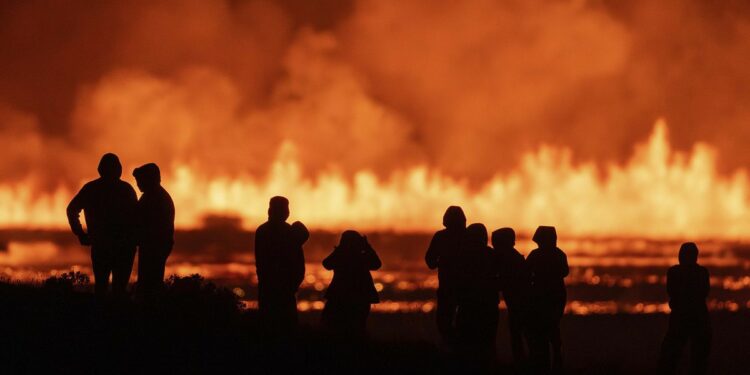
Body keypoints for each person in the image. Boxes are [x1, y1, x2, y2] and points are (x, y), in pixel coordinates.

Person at [66, 153, 137, 300]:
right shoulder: (126, 190)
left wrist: (80, 233)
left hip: (101, 246)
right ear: (119, 169)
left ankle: (100, 318)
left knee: (101, 287)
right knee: (119, 290)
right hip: (123, 247)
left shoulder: (91, 189)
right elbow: (137, 218)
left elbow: (72, 209)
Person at [254, 196, 307, 335]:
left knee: (274, 326)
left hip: (274, 287)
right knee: (282, 326)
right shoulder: (285, 232)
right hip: (278, 287)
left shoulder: (263, 230)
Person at [658, 242, 711, 375]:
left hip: (683, 317)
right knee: (696, 358)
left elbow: (672, 292)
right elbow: (704, 293)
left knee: (671, 355)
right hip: (697, 317)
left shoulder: (674, 272)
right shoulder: (702, 273)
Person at [455, 223, 500, 370]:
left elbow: (459, 279)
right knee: (487, 341)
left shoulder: (463, 255)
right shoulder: (492, 255)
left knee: (467, 340)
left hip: (468, 304)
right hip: (488, 304)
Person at [321, 230, 381, 337]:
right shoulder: (361, 257)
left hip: (340, 297)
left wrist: (339, 249)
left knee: (336, 328)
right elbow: (376, 263)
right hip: (359, 298)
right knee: (357, 328)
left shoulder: (341, 256)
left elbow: (326, 263)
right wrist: (367, 247)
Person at [526, 226, 568, 373]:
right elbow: (564, 271)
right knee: (552, 331)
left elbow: (526, 272)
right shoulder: (559, 254)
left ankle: (546, 364)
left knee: (543, 333)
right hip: (555, 296)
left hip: (543, 297)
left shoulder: (535, 255)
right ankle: (556, 363)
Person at [425, 206, 467, 346]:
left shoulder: (440, 237)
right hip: (466, 288)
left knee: (444, 323)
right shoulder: (468, 237)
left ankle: (453, 349)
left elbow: (430, 261)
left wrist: (442, 261)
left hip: (447, 287)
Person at [132, 163, 175, 299]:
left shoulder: (154, 198)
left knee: (149, 284)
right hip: (155, 245)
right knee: (150, 282)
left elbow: (144, 222)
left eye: (140, 180)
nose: (138, 184)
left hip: (154, 247)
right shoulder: (154, 196)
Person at [492, 227, 530, 367]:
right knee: (520, 335)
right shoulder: (510, 257)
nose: (494, 248)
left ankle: (524, 364)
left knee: (519, 334)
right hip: (517, 303)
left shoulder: (510, 260)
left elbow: (506, 281)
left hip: (520, 303)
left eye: (496, 244)